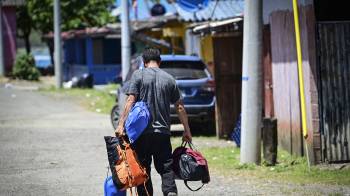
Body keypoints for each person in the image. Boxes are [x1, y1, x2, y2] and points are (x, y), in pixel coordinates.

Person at [115, 47, 192, 196]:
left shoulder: (138, 75)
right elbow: (180, 107)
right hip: (162, 133)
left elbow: (130, 100)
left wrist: (120, 124)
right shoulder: (169, 79)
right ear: (160, 62)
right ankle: (170, 192)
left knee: (143, 169)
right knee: (166, 168)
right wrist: (187, 130)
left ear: (144, 62)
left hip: (141, 133)